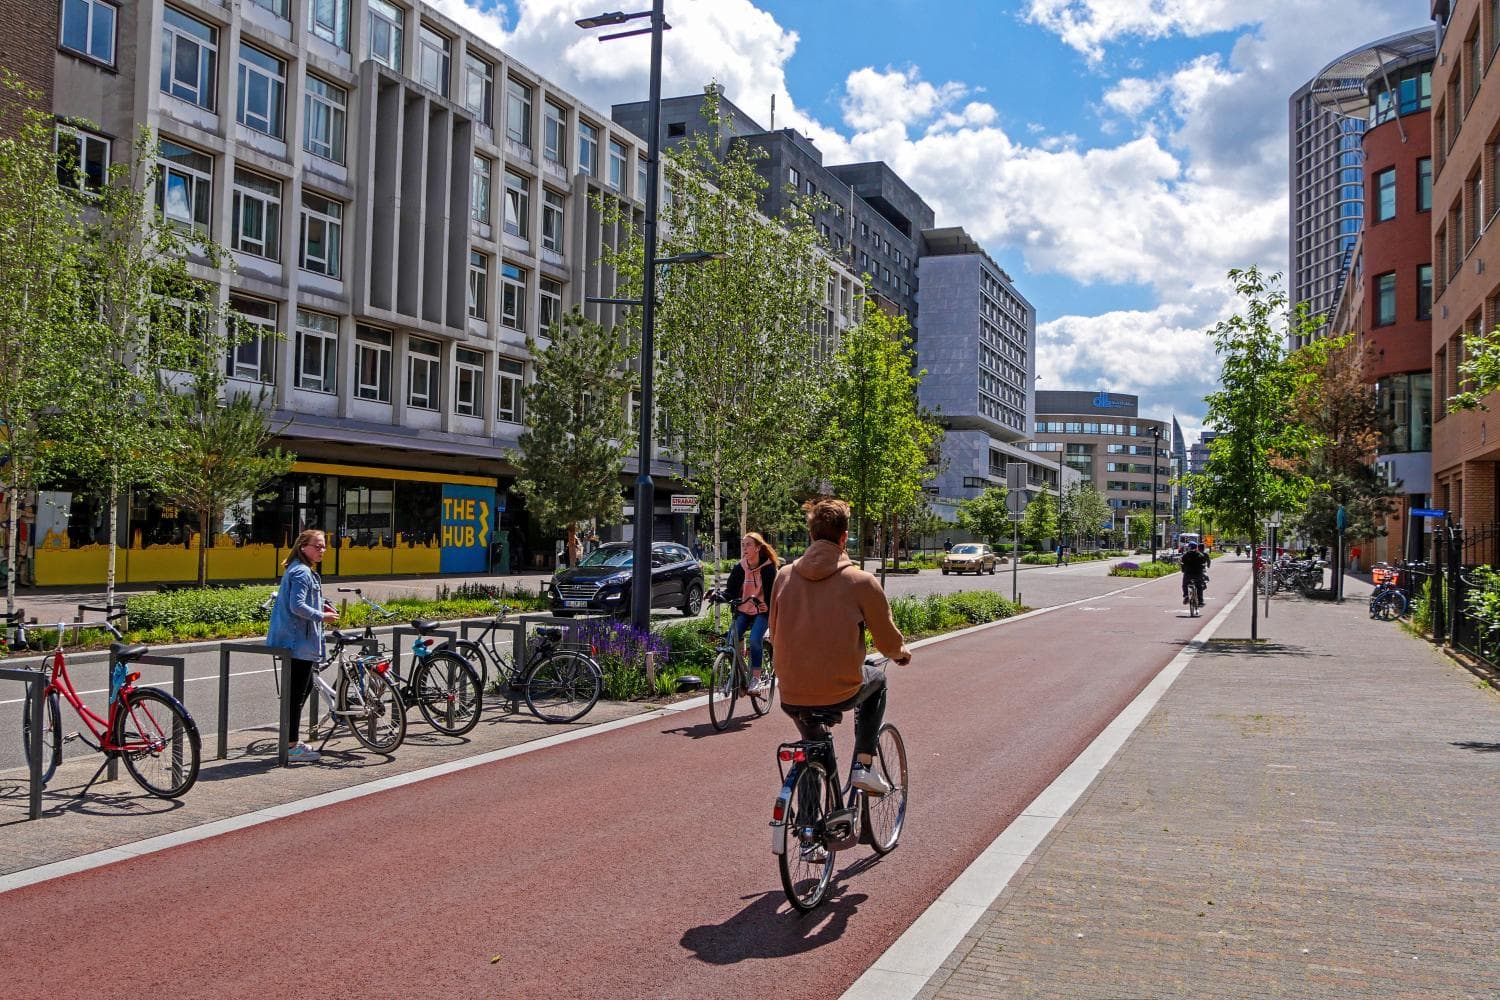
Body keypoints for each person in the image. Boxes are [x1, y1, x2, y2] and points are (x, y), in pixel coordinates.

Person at [769, 498, 912, 797]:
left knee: (812, 746)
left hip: (792, 691)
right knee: (878, 680)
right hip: (840, 690)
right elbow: (888, 642)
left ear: (811, 535)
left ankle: (808, 833)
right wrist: (901, 654)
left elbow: (773, 629)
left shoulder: (784, 577)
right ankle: (863, 764)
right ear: (844, 537)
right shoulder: (860, 581)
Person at [267, 529, 339, 764]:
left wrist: (321, 606)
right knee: (296, 695)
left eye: (324, 546)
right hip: (297, 642)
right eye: (317, 546)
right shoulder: (301, 572)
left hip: (297, 641)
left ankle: (291, 741)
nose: (322, 550)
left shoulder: (300, 570)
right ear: (302, 547)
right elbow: (297, 606)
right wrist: (322, 616)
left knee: (301, 692)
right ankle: (291, 747)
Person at [724, 532, 779, 692]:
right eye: (743, 545)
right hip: (744, 609)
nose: (745, 548)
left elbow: (773, 593)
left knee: (755, 639)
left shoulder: (768, 569)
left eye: (748, 545)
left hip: (762, 611)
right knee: (730, 640)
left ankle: (755, 678)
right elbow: (731, 591)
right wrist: (719, 595)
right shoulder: (740, 567)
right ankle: (737, 673)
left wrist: (767, 605)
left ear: (758, 548)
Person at [1180, 540, 1209, 606]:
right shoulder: (1200, 554)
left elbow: (1182, 562)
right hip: (1198, 574)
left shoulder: (1186, 555)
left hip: (1188, 574)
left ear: (1189, 547)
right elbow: (1204, 562)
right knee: (1199, 586)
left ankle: (1186, 595)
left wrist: (1183, 569)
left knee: (1184, 585)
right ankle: (1201, 601)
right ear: (1196, 547)